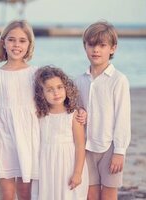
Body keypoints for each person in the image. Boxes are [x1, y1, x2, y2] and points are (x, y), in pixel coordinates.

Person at [0, 20, 40, 200]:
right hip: (4, 138)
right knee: (7, 193)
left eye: (22, 41)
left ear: (29, 44)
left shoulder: (37, 73)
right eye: (12, 40)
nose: (17, 45)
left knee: (25, 193)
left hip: (30, 139)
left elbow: (51, 105)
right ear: (3, 43)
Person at [75, 21, 131, 200]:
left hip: (110, 147)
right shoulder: (79, 81)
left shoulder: (118, 80)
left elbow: (122, 117)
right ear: (85, 46)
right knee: (90, 194)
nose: (96, 50)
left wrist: (119, 151)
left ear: (113, 48)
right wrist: (80, 112)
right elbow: (76, 110)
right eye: (91, 44)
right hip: (86, 147)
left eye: (102, 45)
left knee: (108, 194)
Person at [34, 65, 89, 200]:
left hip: (69, 164)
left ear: (66, 88)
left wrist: (77, 172)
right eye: (50, 90)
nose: (56, 93)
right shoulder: (40, 115)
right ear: (41, 94)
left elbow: (80, 145)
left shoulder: (73, 115)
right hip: (46, 165)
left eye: (59, 87)